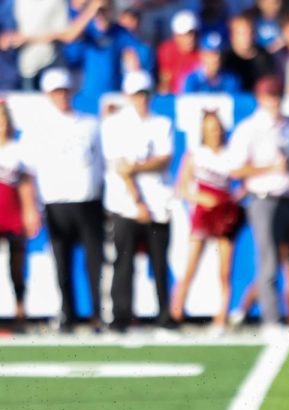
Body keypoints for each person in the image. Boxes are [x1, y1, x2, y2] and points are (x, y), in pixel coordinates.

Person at [228, 75, 289, 336]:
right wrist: (270, 167)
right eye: (270, 96)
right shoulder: (249, 128)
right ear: (260, 98)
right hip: (265, 199)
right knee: (268, 263)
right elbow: (234, 169)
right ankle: (271, 320)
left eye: (277, 95)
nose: (275, 101)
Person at [25, 67, 105, 333]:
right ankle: (67, 314)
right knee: (62, 263)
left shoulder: (90, 124)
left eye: (64, 91)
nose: (61, 96)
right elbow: (30, 171)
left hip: (88, 200)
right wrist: (33, 207)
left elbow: (102, 164)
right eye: (55, 92)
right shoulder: (38, 129)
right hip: (56, 202)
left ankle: (98, 314)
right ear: (48, 95)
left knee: (94, 262)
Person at [102, 70, 176, 332]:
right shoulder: (114, 124)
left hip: (159, 203)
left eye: (144, 94)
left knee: (159, 263)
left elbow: (164, 158)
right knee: (123, 263)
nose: (141, 99)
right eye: (136, 94)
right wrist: (138, 202)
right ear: (128, 96)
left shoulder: (162, 123)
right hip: (127, 204)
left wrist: (136, 166)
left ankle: (164, 317)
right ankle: (120, 317)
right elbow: (122, 169)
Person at [171, 110, 243, 331]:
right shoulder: (195, 155)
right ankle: (175, 313)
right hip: (202, 214)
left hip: (223, 216)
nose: (214, 132)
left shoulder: (231, 155)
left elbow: (243, 183)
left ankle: (221, 317)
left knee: (225, 269)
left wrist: (232, 201)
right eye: (209, 129)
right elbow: (182, 188)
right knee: (190, 265)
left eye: (217, 128)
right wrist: (200, 197)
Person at [0, 100, 39, 331]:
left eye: (4, 122)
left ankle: (20, 311)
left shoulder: (18, 149)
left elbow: (25, 183)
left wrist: (30, 211)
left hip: (12, 211)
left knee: (17, 265)